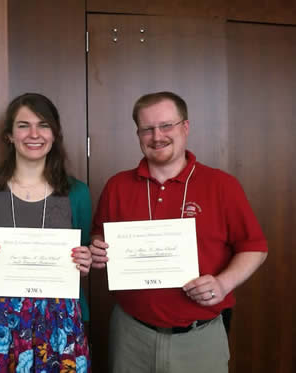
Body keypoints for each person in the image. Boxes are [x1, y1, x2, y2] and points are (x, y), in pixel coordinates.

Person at [89, 91, 267, 373]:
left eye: (166, 126)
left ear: (185, 127)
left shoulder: (221, 185)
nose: (157, 136)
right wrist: (97, 248)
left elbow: (254, 247)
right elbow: (99, 236)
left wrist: (222, 284)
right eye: (147, 129)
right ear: (138, 134)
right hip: (130, 333)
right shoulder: (117, 186)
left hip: (200, 336)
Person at [0, 93, 92, 373]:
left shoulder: (77, 193)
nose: (34, 134)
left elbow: (82, 263)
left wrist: (85, 262)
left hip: (60, 327)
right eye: (23, 125)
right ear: (9, 134)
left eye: (43, 125)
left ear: (55, 133)